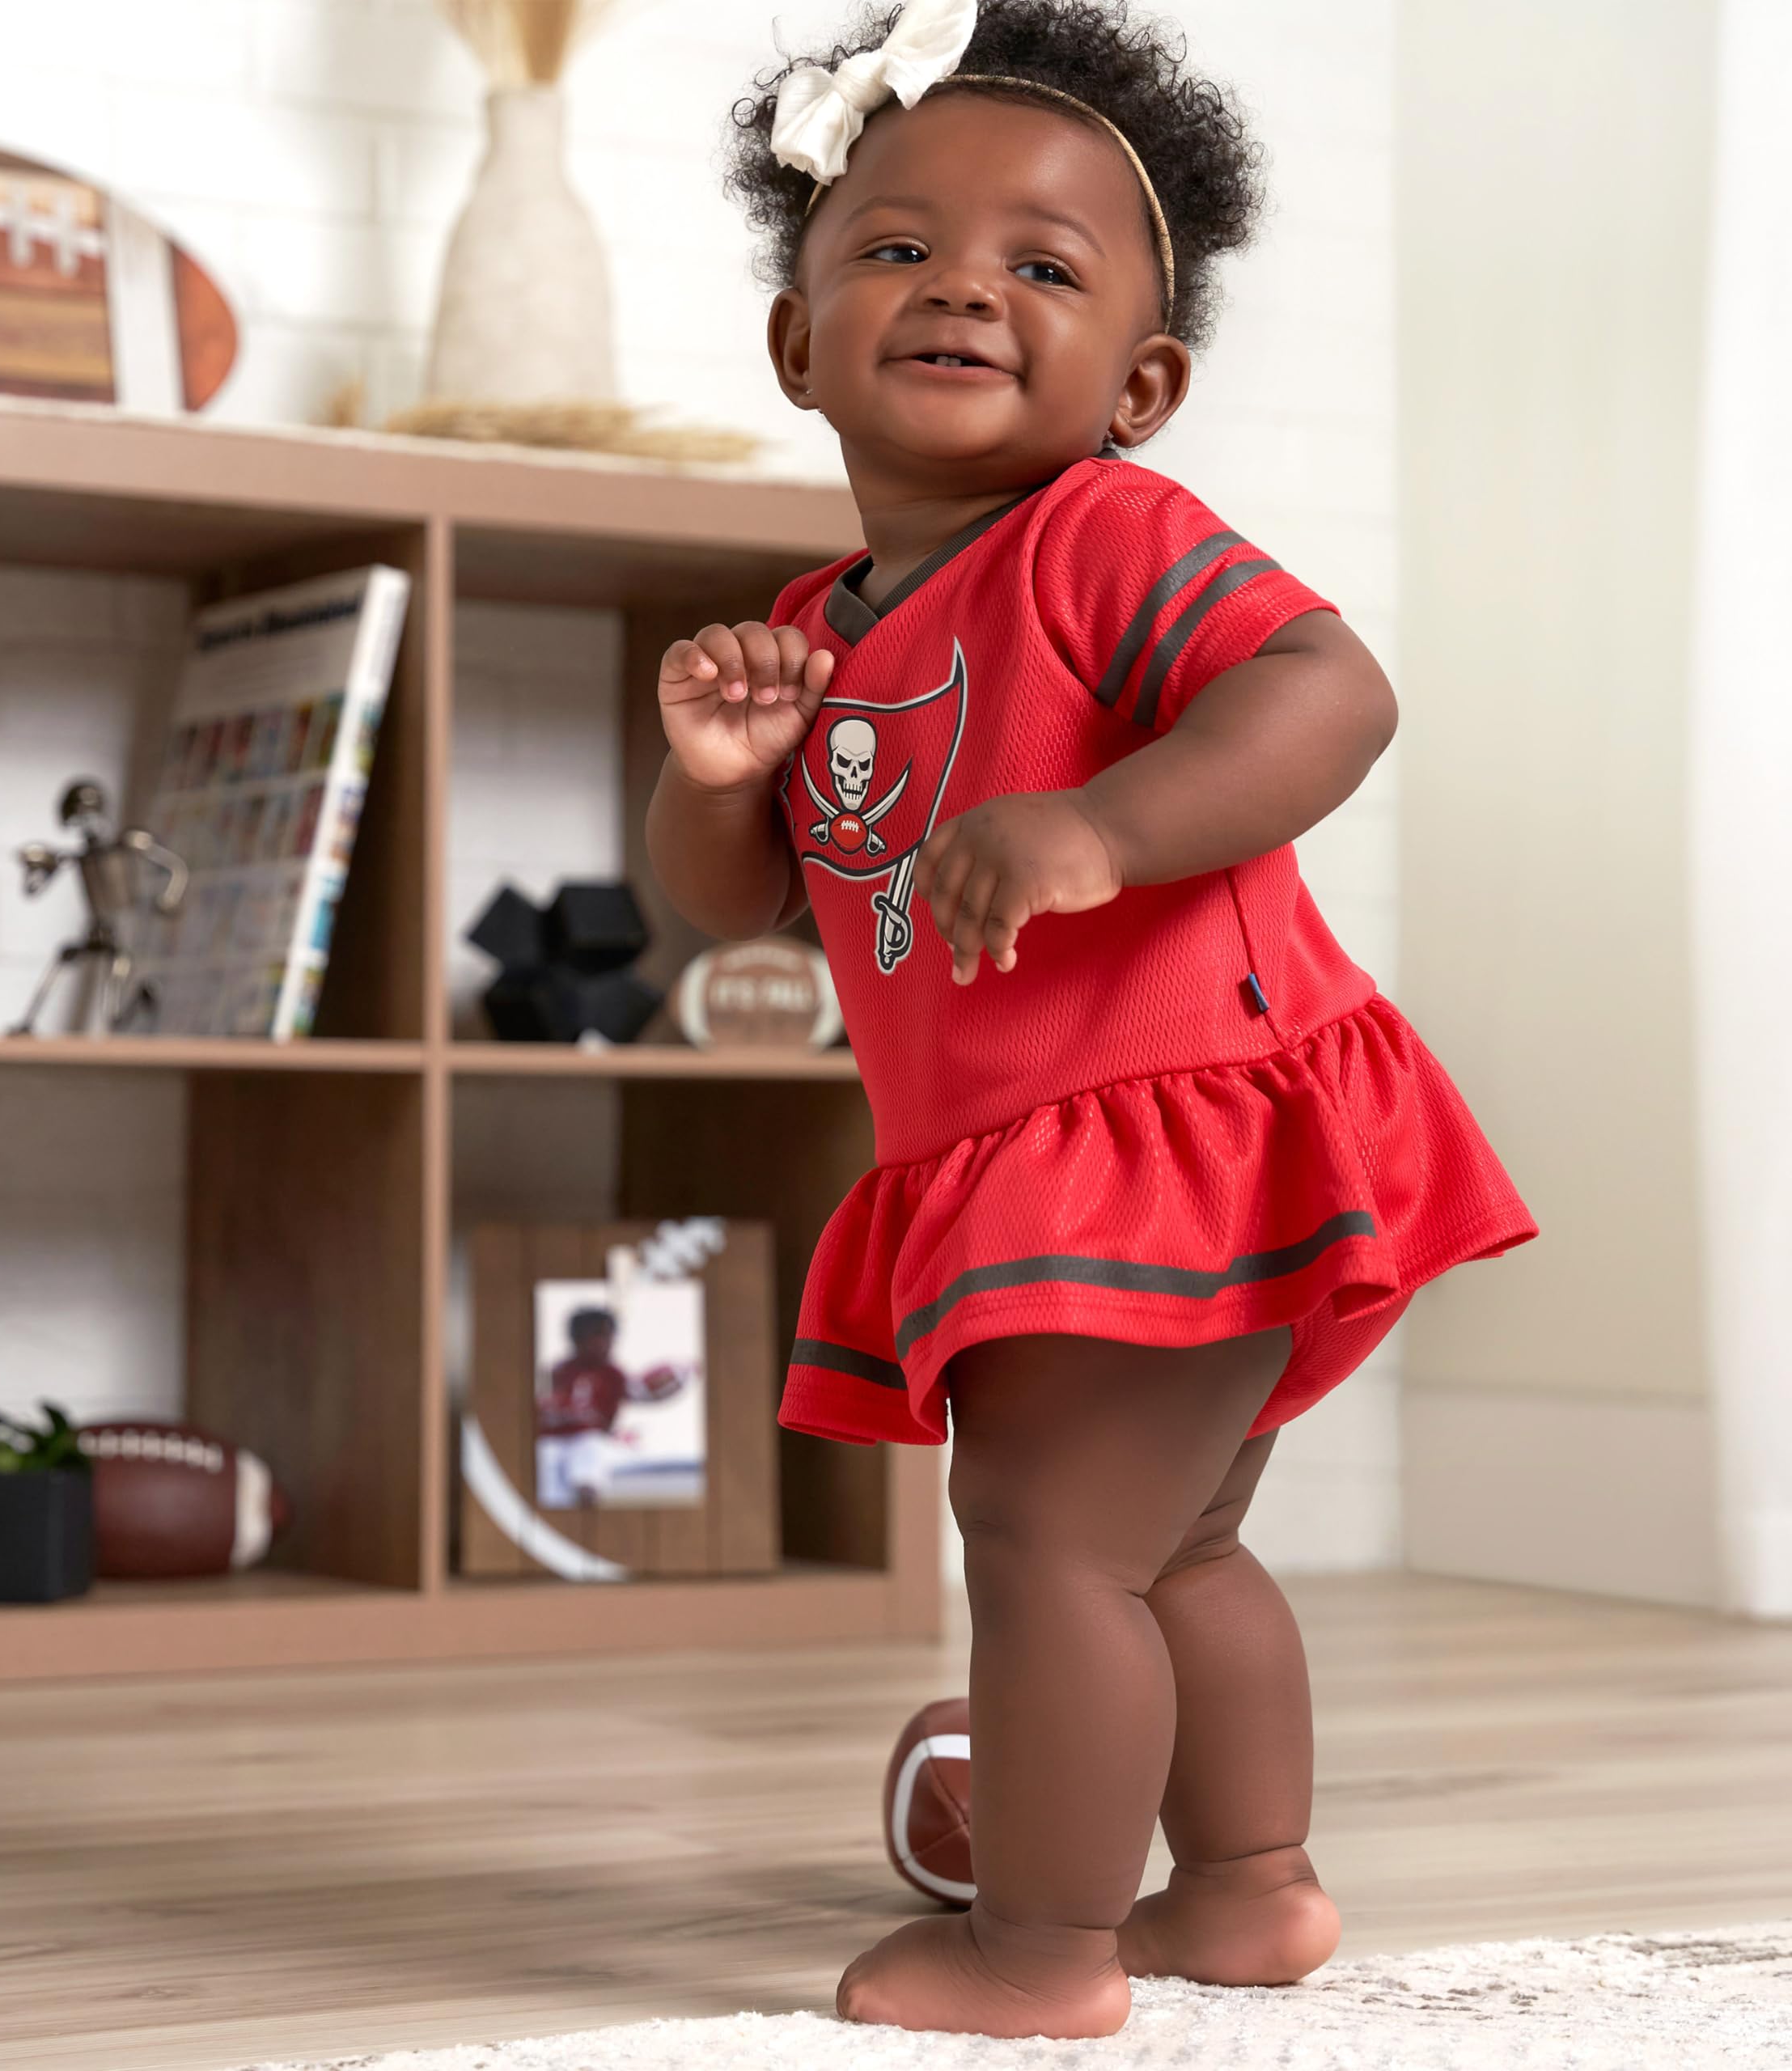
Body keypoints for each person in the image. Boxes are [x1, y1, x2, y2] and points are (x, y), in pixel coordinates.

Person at [644, 0, 1538, 2043]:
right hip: (1069, 1144)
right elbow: (729, 905)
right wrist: (713, 777)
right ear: (795, 343)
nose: (963, 283)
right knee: (1168, 1541)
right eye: (895, 247)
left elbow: (1325, 690)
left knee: (1045, 1539)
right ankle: (1244, 1887)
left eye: (1040, 266)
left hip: (1158, 1122)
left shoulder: (1100, 537)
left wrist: (1097, 825)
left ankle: (1034, 1945)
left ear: (1139, 385)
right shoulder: (808, 632)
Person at [536, 1307, 685, 1509]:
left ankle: (587, 1499)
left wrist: (678, 1376)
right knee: (546, 1462)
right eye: (597, 1336)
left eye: (609, 1336)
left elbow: (644, 1392)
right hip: (553, 1442)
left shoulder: (613, 1375)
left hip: (589, 1443)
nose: (605, 1343)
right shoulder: (557, 1372)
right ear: (577, 1339)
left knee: (590, 1447)